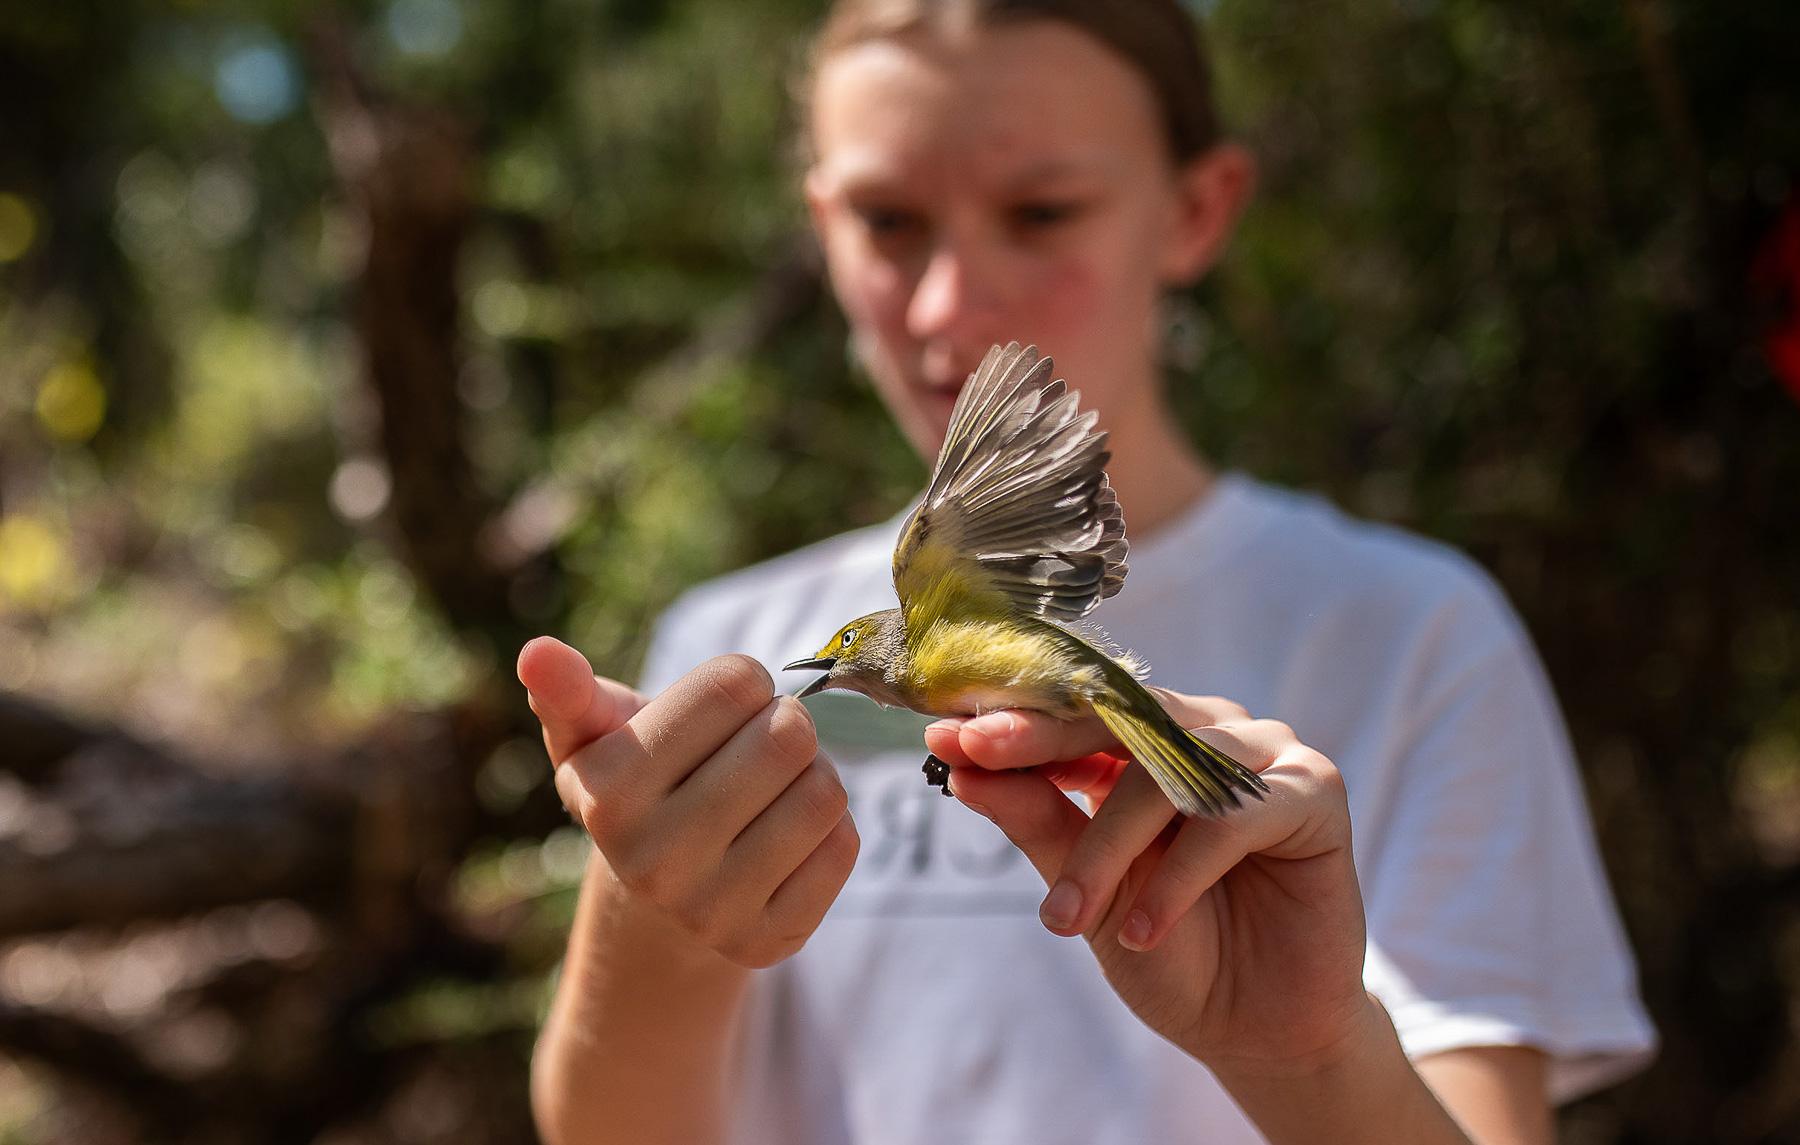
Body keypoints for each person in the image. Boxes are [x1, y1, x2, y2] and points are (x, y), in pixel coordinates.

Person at [519, 2, 1657, 1142]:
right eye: (888, 220)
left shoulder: (1412, 636)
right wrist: (652, 916)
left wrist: (1310, 1057)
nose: (948, 302)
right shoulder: (728, 640)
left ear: (1198, 209)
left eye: (1043, 211)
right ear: (821, 224)